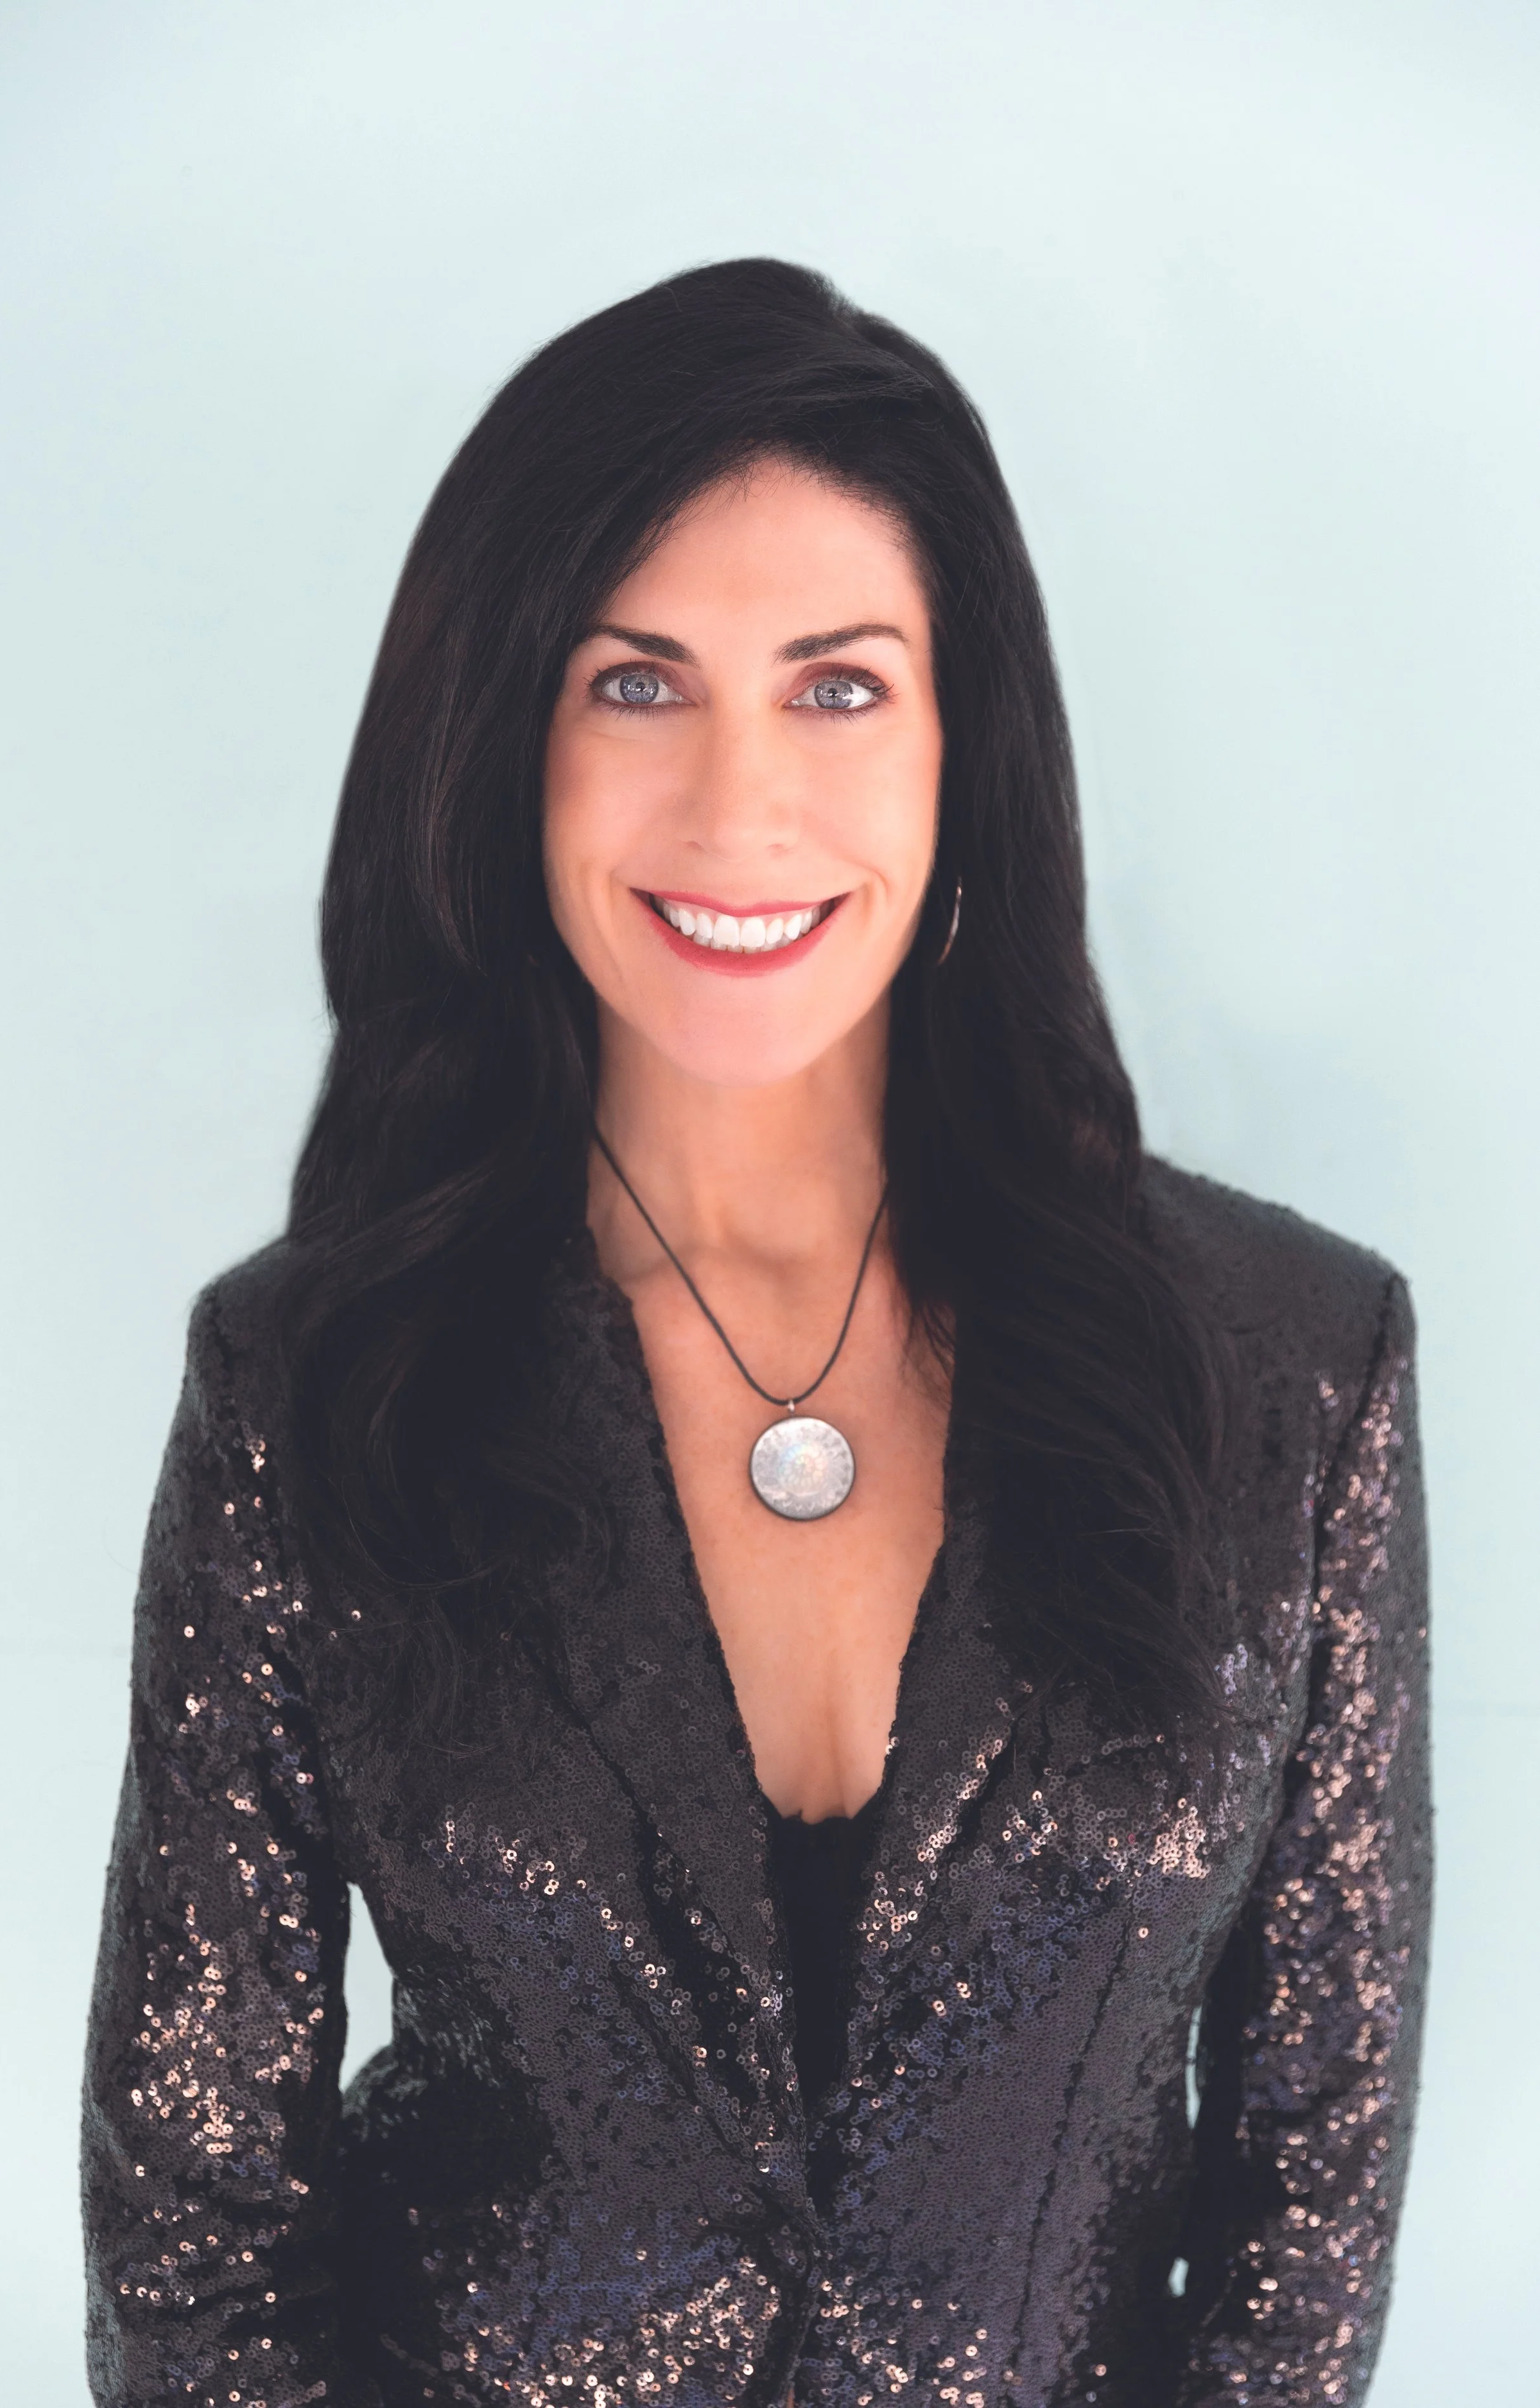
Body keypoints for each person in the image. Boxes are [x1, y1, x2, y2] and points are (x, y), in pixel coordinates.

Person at [81, 260, 1430, 2408]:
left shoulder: (1291, 1368)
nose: (737, 807)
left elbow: (1306, 2188)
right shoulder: (309, 1390)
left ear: (959, 750)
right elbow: (197, 2231)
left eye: (835, 686)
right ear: (501, 746)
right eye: (636, 685)